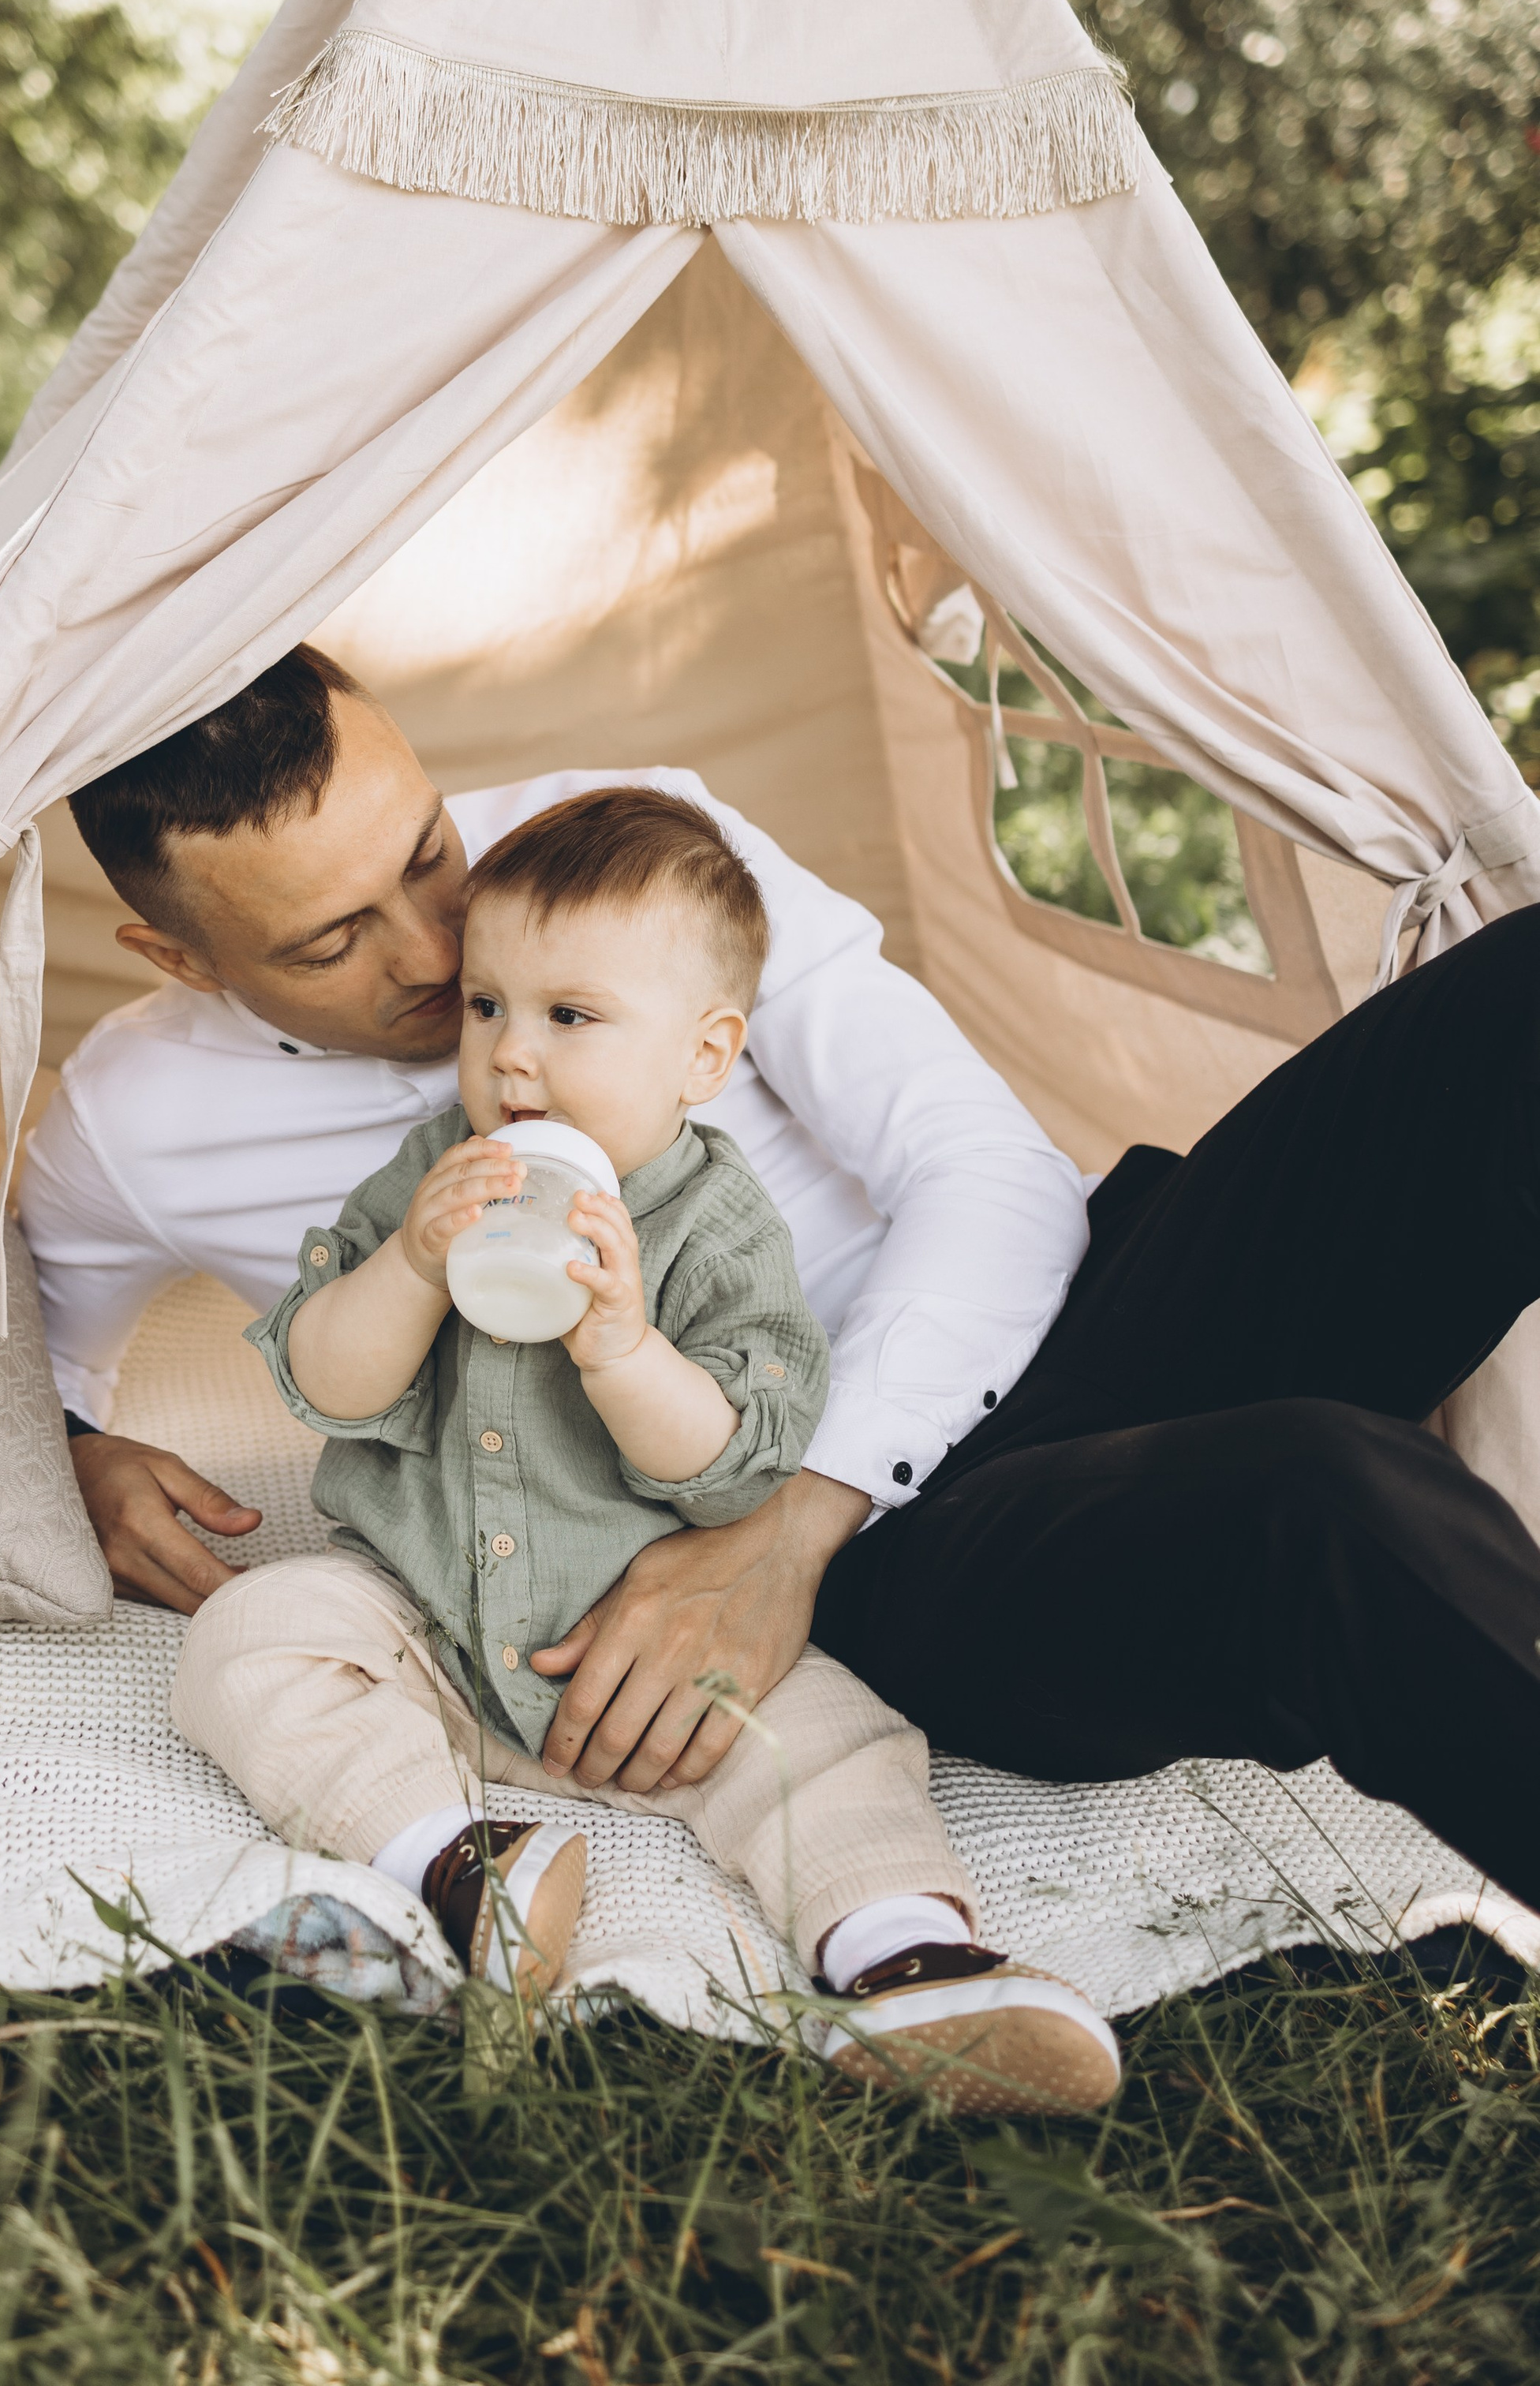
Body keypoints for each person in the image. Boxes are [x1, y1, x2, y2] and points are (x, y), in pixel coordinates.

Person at [21, 641, 1540, 1915]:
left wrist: (799, 1516)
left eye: (427, 852)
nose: (434, 946)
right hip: (941, 1563)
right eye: (332, 940)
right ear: (181, 959)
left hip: (1081, 1323)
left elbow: (986, 1171)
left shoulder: (637, 845)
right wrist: (77, 1457)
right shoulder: (133, 1123)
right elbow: (27, 1361)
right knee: (1324, 1498)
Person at [169, 786, 1120, 2110]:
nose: (512, 1060)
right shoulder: (430, 1178)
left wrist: (623, 1347)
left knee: (831, 1744)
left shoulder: (720, 1228)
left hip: (650, 1654)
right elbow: (327, 1383)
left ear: (704, 1057)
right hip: (429, 1618)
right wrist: (411, 1262)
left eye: (572, 1019)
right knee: (252, 1633)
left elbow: (734, 1466)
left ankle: (905, 1958)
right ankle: (460, 1863)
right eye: (487, 1006)